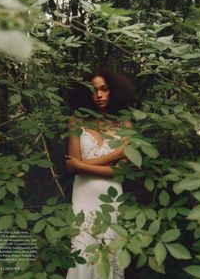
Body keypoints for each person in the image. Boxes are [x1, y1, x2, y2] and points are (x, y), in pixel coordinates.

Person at [66, 68, 135, 279]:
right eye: (94, 90)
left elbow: (121, 171)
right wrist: (116, 153)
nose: (99, 95)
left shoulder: (125, 123)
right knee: (82, 247)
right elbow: (71, 167)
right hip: (83, 196)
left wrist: (81, 166)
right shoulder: (77, 120)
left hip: (111, 196)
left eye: (104, 89)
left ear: (113, 90)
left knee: (109, 250)